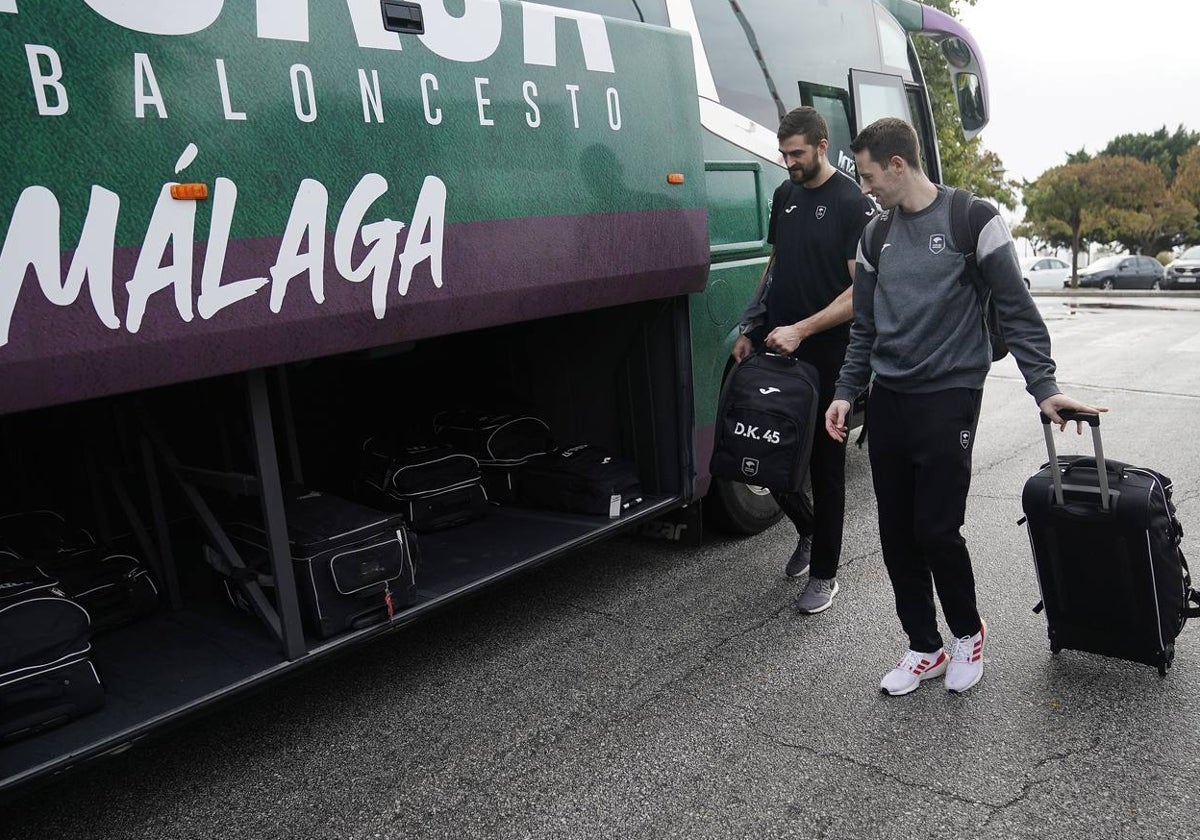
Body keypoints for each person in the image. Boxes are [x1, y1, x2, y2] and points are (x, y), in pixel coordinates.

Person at [824, 117, 1106, 695]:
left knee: (935, 527)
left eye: (872, 175)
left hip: (949, 395)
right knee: (896, 533)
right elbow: (865, 327)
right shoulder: (876, 235)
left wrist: (1043, 386)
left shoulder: (972, 219)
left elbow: (1017, 308)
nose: (867, 188)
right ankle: (923, 646)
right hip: (890, 398)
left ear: (899, 165)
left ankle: (966, 633)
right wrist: (845, 392)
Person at [732, 106, 876, 614]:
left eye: (796, 153)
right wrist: (751, 326)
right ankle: (810, 529)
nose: (787, 162)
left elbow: (861, 292)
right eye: (783, 152)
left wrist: (802, 329)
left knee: (824, 465)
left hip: (828, 356)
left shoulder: (852, 204)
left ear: (821, 144)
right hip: (776, 348)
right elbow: (776, 265)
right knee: (764, 452)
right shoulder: (784, 195)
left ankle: (825, 573)